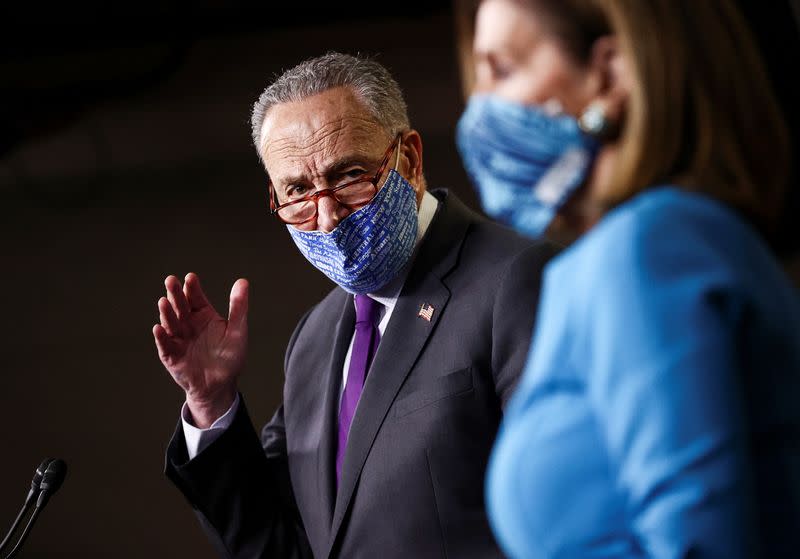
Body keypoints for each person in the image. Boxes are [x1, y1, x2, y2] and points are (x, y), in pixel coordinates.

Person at [152, 52, 556, 558]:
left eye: (348, 176)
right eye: (297, 190)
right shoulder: (314, 339)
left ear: (409, 159)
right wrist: (211, 404)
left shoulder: (516, 279)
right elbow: (280, 543)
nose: (325, 218)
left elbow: (566, 510)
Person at [454, 0, 800, 558]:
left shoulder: (646, 248)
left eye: (503, 70)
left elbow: (700, 542)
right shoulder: (643, 248)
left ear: (610, 74)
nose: (478, 111)